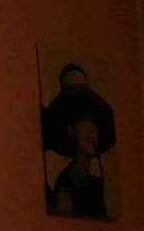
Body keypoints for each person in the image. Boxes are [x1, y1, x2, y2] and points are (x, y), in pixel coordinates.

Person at [42, 63, 116, 216]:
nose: (92, 129)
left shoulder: (95, 184)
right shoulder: (65, 187)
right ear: (71, 129)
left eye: (94, 122)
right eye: (85, 120)